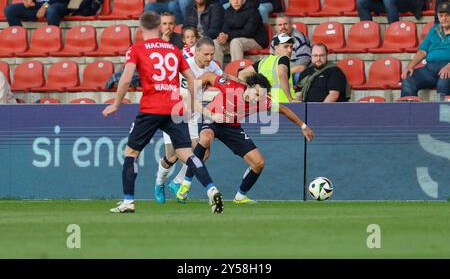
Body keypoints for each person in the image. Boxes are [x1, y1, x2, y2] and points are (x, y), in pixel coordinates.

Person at [103, 12, 224, 214]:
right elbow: (193, 79)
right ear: (160, 27)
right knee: (187, 153)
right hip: (174, 107)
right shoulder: (174, 50)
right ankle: (211, 189)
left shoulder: (137, 49)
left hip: (151, 107)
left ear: (141, 29)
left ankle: (128, 201)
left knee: (131, 152)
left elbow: (125, 79)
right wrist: (193, 102)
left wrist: (116, 104)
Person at [175, 72, 314, 204]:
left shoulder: (263, 101)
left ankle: (240, 196)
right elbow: (208, 76)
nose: (258, 98)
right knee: (205, 138)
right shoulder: (230, 86)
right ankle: (186, 184)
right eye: (257, 94)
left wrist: (303, 126)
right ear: (248, 87)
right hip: (213, 119)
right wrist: (193, 90)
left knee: (259, 163)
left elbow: (284, 110)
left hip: (232, 128)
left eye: (262, 96)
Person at [154, 37, 224, 204]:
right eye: (206, 54)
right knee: (172, 156)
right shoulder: (184, 66)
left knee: (203, 152)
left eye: (212, 54)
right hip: (175, 113)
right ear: (196, 52)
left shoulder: (212, 67)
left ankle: (177, 182)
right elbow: (186, 97)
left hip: (193, 115)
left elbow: (224, 83)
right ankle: (159, 183)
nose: (209, 58)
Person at [401, 1, 450, 98]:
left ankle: (442, 113)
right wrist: (411, 65)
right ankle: (408, 112)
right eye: (441, 16)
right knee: (408, 77)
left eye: (447, 15)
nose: (444, 18)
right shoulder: (434, 30)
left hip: (447, 67)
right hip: (430, 68)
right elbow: (422, 51)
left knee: (444, 80)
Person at [214, 0, 268, 65]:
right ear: (229, 0)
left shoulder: (253, 10)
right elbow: (225, 27)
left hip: (255, 41)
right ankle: (217, 73)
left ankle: (235, 73)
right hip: (235, 40)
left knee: (236, 42)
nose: (235, 1)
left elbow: (249, 32)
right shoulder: (229, 11)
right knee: (216, 42)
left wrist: (228, 35)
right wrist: (223, 35)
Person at [238, 33, 298, 103]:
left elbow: (242, 74)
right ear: (276, 47)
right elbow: (281, 73)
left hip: (265, 105)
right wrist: (290, 99)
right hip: (283, 103)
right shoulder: (284, 58)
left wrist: (247, 91)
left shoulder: (262, 62)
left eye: (291, 47)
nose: (290, 50)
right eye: (286, 47)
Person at [270, 14, 311, 84]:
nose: (283, 27)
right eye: (280, 25)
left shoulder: (299, 38)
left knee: (298, 76)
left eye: (285, 24)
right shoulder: (274, 40)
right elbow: (272, 60)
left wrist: (284, 72)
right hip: (282, 71)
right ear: (276, 28)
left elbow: (303, 64)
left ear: (291, 25)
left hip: (297, 72)